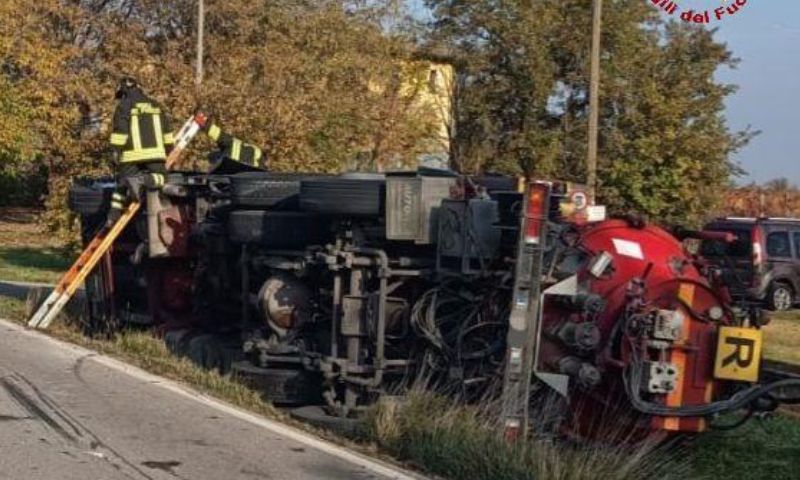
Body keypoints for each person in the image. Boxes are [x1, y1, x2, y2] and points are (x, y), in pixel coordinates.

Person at [107, 77, 174, 226]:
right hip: (155, 155)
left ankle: (113, 216)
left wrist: (114, 151)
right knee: (163, 178)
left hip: (130, 156)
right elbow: (167, 132)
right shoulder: (156, 105)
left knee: (122, 185)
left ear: (123, 91)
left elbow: (120, 132)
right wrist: (168, 149)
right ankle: (144, 181)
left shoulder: (124, 106)